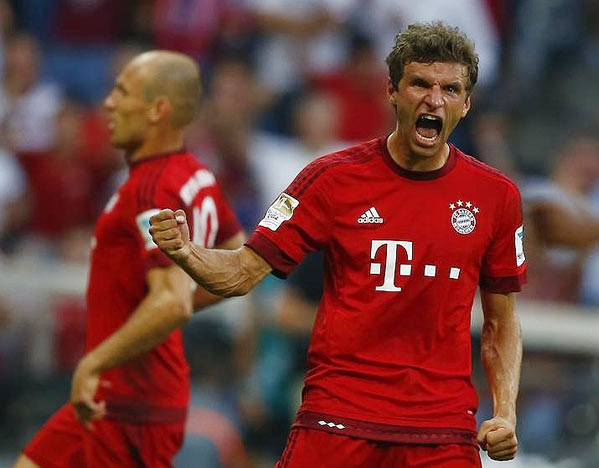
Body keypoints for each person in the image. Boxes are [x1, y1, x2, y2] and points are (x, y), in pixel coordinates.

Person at [150, 22, 523, 467]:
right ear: (392, 90)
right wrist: (186, 251)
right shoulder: (332, 179)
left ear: (466, 103)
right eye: (420, 83)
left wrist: (504, 413)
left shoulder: (495, 197)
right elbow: (242, 273)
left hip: (440, 431)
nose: (434, 99)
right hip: (338, 420)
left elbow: (501, 325)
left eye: (450, 88)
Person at [15, 50, 244, 468]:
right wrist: (161, 311)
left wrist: (94, 360)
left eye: (121, 91)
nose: (108, 102)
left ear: (158, 109)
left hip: (130, 403)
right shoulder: (195, 173)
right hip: (120, 395)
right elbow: (237, 254)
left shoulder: (153, 189)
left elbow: (171, 300)